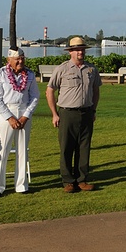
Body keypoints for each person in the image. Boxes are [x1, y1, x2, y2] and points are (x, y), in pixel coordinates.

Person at [46, 36, 102, 192]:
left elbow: (96, 91)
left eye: (82, 49)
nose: (80, 52)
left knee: (84, 148)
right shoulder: (62, 69)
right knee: (66, 148)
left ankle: (82, 179)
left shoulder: (91, 69)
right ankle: (68, 181)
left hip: (86, 112)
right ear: (70, 52)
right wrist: (54, 114)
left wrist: (93, 110)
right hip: (67, 113)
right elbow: (50, 91)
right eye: (77, 50)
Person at [0, 48, 40, 196]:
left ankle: (21, 185)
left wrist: (26, 116)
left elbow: (35, 96)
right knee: (2, 150)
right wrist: (9, 117)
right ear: (9, 60)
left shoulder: (30, 74)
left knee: (22, 150)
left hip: (24, 112)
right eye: (17, 59)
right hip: (6, 113)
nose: (20, 61)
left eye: (22, 58)